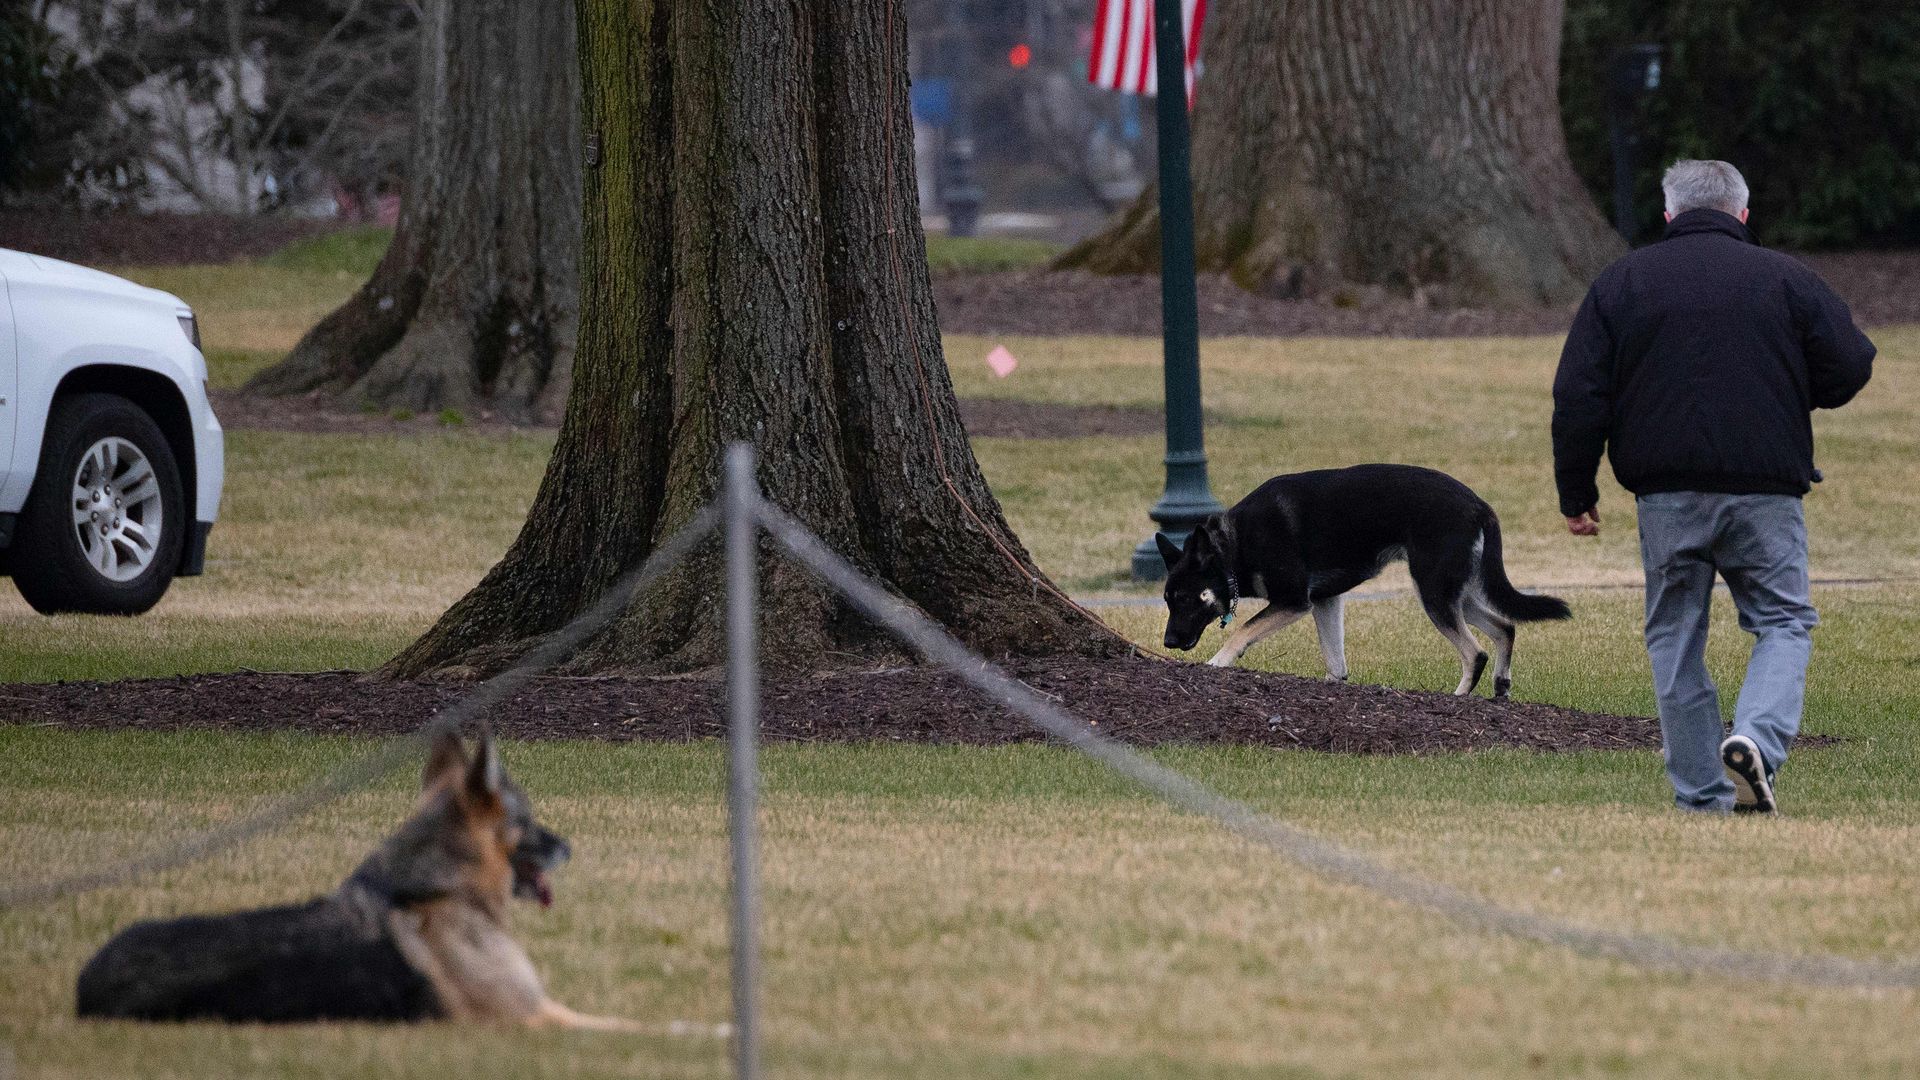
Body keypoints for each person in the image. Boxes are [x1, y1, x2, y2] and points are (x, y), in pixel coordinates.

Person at [1551, 159, 1875, 814]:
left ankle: (1702, 795)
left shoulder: (1624, 282)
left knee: (1675, 631)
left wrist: (1575, 491)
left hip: (1666, 492)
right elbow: (1851, 362)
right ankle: (1756, 738)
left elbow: (1579, 395)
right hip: (1765, 487)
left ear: (1668, 214)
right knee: (1783, 618)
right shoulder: (1785, 278)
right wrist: (1790, 393)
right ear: (1742, 214)